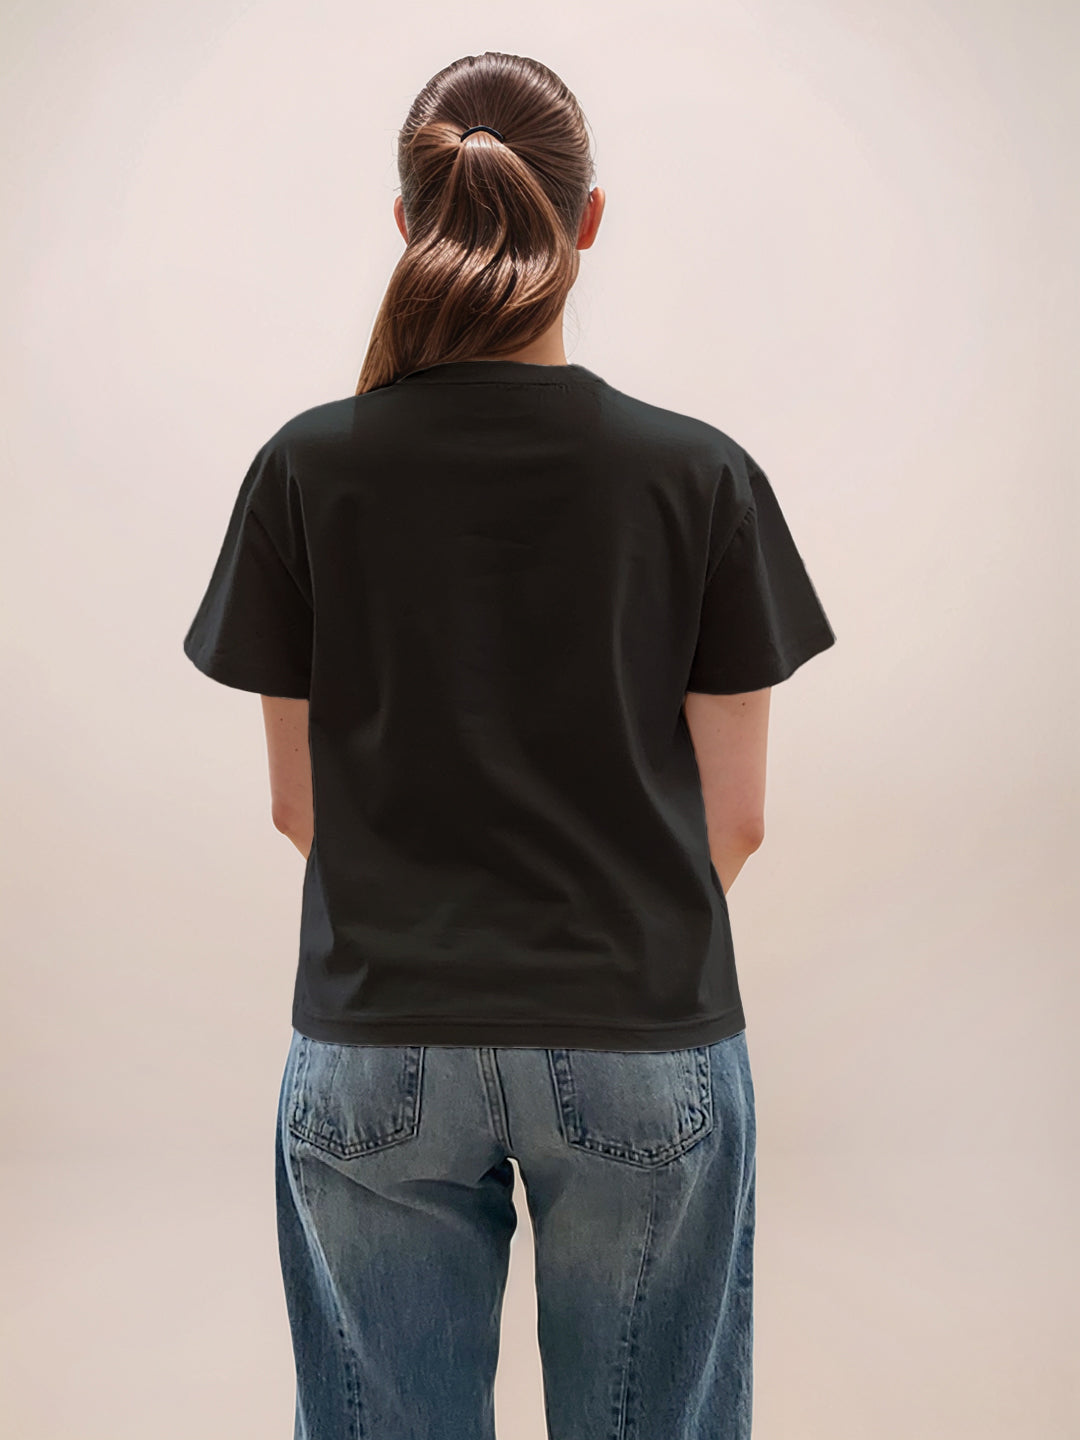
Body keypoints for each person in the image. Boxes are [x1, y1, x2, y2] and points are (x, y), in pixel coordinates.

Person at [182, 49, 836, 1440]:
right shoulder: (699, 476)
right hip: (640, 1030)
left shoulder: (305, 469)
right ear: (587, 220)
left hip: (377, 1036)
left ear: (407, 219)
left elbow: (301, 808)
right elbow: (737, 820)